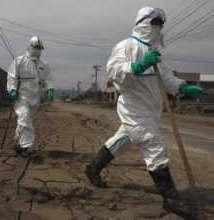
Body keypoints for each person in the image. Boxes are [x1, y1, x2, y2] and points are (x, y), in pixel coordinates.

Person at [85, 6, 202, 217]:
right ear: (143, 23)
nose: (158, 28)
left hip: (148, 110)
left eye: (160, 24)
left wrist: (183, 87)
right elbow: (114, 71)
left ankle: (92, 169)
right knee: (154, 144)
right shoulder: (125, 47)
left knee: (121, 141)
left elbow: (164, 77)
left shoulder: (154, 52)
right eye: (154, 23)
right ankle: (171, 199)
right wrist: (138, 65)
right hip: (133, 108)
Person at [7, 36, 54, 156]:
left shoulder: (44, 65)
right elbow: (12, 76)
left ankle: (18, 142)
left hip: (36, 97)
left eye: (40, 48)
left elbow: (48, 79)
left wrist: (50, 90)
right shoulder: (20, 61)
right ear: (30, 47)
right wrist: (12, 89)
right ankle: (28, 146)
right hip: (22, 95)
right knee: (24, 116)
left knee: (26, 120)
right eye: (36, 47)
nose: (38, 50)